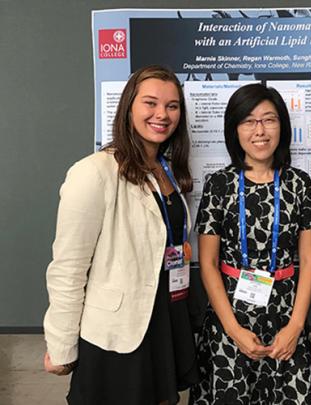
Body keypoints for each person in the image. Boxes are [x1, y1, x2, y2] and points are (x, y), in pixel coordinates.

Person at [43, 65, 199, 404]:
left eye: (172, 106)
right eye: (151, 103)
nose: (162, 114)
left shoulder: (167, 170)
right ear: (129, 107)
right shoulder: (94, 172)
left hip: (164, 319)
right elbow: (68, 267)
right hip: (118, 333)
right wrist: (61, 344)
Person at [190, 83, 311, 404]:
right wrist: (233, 329)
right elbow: (207, 263)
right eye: (249, 121)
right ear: (235, 130)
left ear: (282, 127)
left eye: (269, 120)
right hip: (229, 318)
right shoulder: (219, 184)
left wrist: (296, 326)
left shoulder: (298, 184)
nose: (259, 130)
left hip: (286, 319)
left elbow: (310, 257)